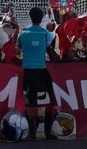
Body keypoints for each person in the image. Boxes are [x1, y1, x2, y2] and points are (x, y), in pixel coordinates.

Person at [18, 7, 58, 141]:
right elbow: (51, 51)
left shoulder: (23, 34)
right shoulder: (46, 34)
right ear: (41, 18)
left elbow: (18, 49)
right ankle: (47, 131)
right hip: (41, 69)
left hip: (27, 70)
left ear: (30, 17)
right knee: (51, 98)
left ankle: (32, 132)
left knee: (30, 100)